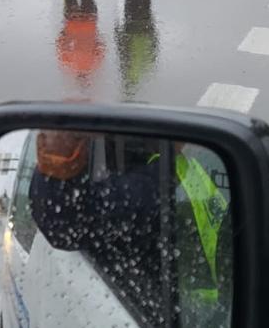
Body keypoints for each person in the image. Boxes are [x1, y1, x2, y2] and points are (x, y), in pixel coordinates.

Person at [29, 131, 232, 326]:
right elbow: (62, 218)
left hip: (207, 312)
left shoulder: (184, 170)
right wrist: (58, 156)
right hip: (189, 311)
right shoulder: (149, 180)